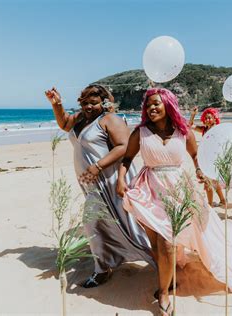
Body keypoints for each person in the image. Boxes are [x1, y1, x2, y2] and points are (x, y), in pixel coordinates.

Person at [116, 88, 232, 315]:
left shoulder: (183, 131)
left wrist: (200, 170)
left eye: (156, 104)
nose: (151, 108)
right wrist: (121, 179)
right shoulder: (139, 133)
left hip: (178, 189)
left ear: (168, 105)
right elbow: (127, 158)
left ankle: (163, 292)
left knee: (168, 242)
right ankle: (167, 277)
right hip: (149, 190)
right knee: (156, 243)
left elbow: (195, 156)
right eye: (148, 105)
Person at [44, 85, 152, 288]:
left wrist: (97, 166)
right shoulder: (80, 118)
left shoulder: (110, 120)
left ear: (103, 103)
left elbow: (124, 146)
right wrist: (56, 104)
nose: (88, 106)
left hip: (110, 181)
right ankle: (105, 265)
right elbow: (65, 124)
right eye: (85, 102)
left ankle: (159, 258)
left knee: (121, 222)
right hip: (92, 183)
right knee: (101, 223)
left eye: (93, 103)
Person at [188, 106, 226, 207]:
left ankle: (209, 204)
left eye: (210, 117)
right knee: (214, 182)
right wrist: (193, 115)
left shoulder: (218, 130)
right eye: (206, 118)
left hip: (215, 159)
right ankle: (223, 200)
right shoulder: (204, 129)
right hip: (206, 158)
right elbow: (190, 125)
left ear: (215, 118)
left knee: (208, 182)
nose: (207, 120)